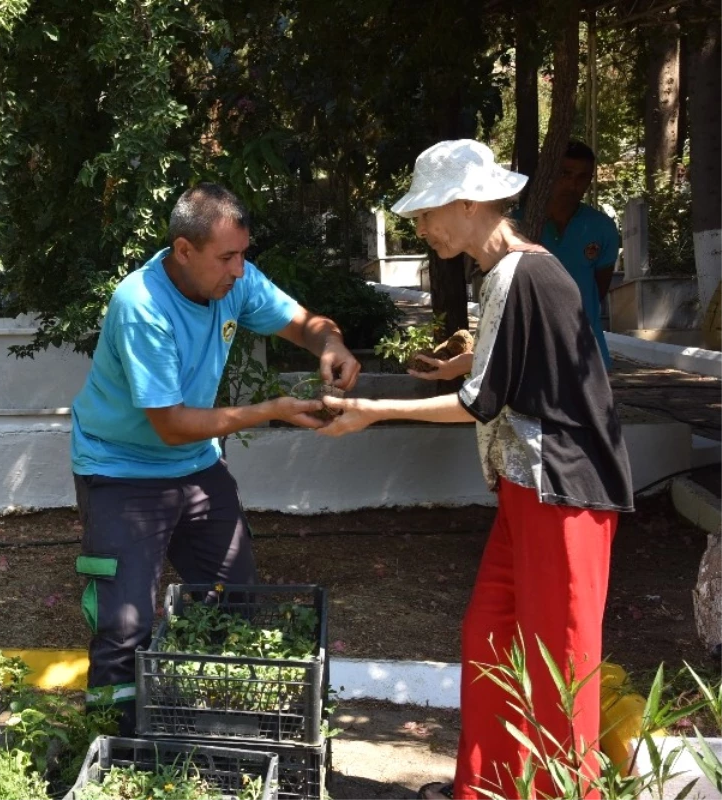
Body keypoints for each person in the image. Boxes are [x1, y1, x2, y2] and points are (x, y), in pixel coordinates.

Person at [318, 140, 633, 800]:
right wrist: (465, 362)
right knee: (490, 640)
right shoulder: (509, 273)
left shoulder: (524, 271)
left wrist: (370, 410)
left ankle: (564, 793)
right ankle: (487, 789)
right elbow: (527, 360)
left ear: (467, 203)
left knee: (559, 670)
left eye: (428, 212)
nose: (422, 227)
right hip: (527, 491)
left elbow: (481, 402)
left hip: (564, 493)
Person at [70, 182, 361, 734]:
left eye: (242, 254)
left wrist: (331, 344)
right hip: (121, 472)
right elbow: (172, 424)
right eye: (227, 257)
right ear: (184, 251)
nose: (239, 269)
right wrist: (270, 409)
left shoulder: (233, 281)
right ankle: (113, 750)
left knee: (235, 600)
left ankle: (202, 732)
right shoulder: (141, 306)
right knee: (124, 624)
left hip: (197, 468)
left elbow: (301, 321)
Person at [541, 140, 620, 369]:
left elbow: (599, 288)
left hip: (586, 353)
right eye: (565, 173)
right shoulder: (521, 223)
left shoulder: (602, 228)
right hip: (534, 351)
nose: (572, 184)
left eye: (582, 177)